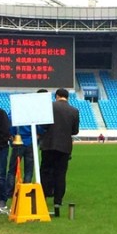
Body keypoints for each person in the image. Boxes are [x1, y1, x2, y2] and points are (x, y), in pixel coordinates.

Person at [40, 88, 80, 216]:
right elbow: (75, 131)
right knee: (60, 174)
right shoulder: (74, 111)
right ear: (67, 97)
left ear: (56, 96)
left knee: (45, 172)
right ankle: (58, 201)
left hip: (49, 145)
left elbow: (44, 125)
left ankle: (43, 198)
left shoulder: (50, 107)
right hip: (64, 147)